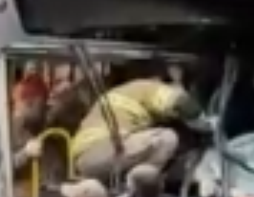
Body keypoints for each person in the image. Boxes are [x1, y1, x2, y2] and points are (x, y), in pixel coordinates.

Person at [71, 63, 211, 183]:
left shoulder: (125, 92)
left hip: (88, 158)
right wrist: (208, 124)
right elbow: (182, 104)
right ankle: (142, 189)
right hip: (101, 149)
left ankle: (133, 187)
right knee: (166, 138)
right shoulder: (146, 87)